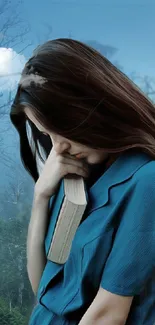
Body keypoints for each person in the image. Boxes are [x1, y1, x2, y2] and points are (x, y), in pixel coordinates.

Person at [10, 38, 155, 325]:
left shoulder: (146, 181)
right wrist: (41, 198)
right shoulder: (76, 176)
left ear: (90, 109)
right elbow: (46, 293)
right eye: (47, 136)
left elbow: (108, 315)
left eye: (60, 131)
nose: (57, 148)